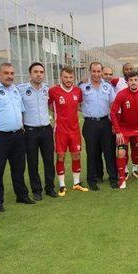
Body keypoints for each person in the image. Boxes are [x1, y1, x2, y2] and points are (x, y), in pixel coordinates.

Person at [0, 62, 34, 211]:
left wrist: (21, 127)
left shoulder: (15, 90)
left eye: (11, 73)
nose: (9, 76)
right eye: (6, 73)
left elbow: (21, 111)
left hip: (17, 135)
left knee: (19, 167)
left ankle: (21, 195)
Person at [18, 62, 56, 200]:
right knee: (33, 162)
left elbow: (53, 106)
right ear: (30, 74)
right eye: (36, 72)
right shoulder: (21, 89)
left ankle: (50, 187)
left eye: (41, 72)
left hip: (46, 129)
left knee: (49, 160)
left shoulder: (47, 89)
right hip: (30, 131)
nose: (39, 74)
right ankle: (36, 190)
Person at [48, 67, 88, 196]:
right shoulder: (53, 91)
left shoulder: (78, 91)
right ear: (61, 77)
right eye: (65, 77)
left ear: (73, 78)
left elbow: (79, 105)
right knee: (61, 156)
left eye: (71, 77)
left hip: (75, 130)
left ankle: (76, 183)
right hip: (60, 130)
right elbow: (48, 105)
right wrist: (57, 115)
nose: (68, 80)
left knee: (76, 155)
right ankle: (62, 185)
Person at [79, 62, 117, 190]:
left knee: (109, 152)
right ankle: (92, 180)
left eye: (98, 71)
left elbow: (113, 106)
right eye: (94, 71)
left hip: (106, 122)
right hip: (90, 123)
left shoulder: (108, 87)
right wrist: (86, 112)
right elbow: (76, 103)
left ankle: (113, 178)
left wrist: (114, 123)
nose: (96, 74)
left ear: (101, 72)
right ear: (90, 71)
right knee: (92, 153)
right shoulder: (83, 87)